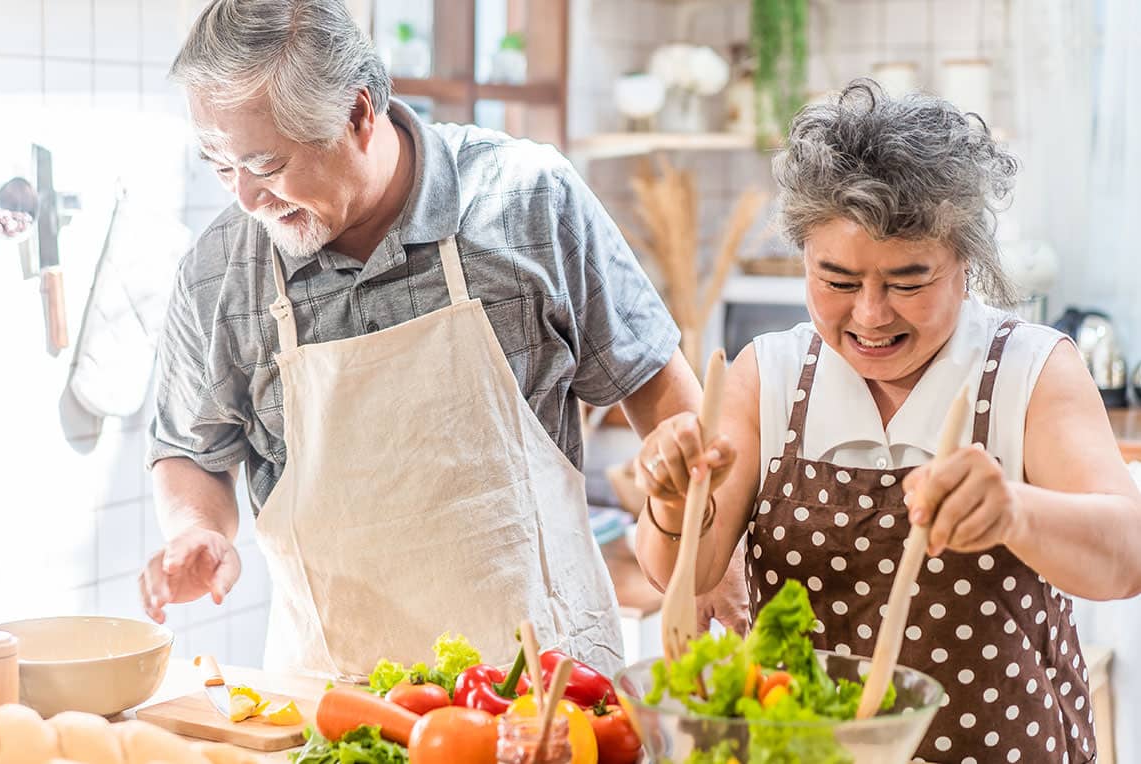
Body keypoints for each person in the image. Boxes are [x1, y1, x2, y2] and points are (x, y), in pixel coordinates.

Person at [138, 0, 734, 680]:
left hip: (548, 693)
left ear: (359, 114)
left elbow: (658, 387)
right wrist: (198, 531)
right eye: (220, 166)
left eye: (265, 165)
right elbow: (191, 447)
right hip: (335, 701)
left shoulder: (528, 198)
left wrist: (707, 553)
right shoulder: (220, 271)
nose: (245, 198)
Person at [635, 81, 1141, 761]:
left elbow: (1126, 559)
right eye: (838, 281)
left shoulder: (1029, 371)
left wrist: (1014, 512)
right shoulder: (769, 378)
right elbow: (685, 576)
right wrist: (673, 503)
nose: (870, 315)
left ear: (965, 264)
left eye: (907, 282)